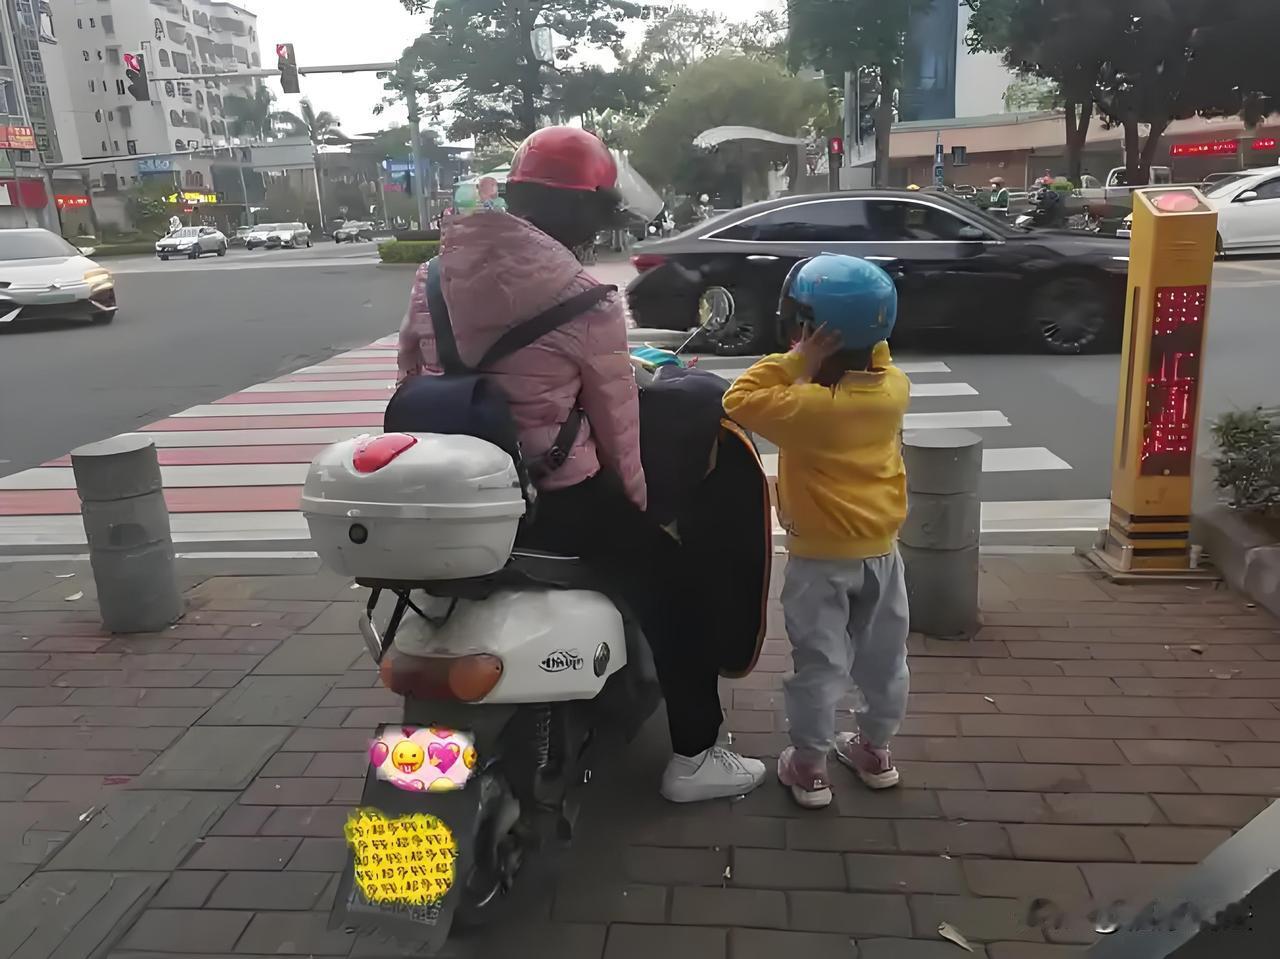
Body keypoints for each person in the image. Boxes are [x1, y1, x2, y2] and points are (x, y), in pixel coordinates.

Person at [396, 125, 766, 804]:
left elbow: (412, 376)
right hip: (553, 503)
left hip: (455, 495)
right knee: (674, 588)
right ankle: (696, 755)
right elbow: (619, 425)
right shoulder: (587, 300)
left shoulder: (434, 277)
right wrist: (640, 513)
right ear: (584, 212)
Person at [723, 254, 911, 810]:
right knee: (884, 659)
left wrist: (798, 357)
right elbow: (874, 350)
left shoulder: (806, 404)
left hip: (819, 562)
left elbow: (738, 398)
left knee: (821, 665)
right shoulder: (892, 388)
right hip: (883, 554)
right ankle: (874, 750)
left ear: (808, 329)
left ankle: (809, 767)